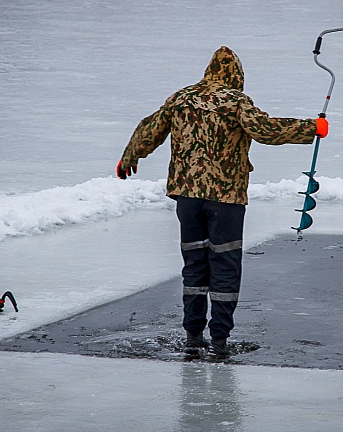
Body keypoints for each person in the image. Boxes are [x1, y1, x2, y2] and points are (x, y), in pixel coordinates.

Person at [116, 46, 328, 357]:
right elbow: (265, 130)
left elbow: (149, 129)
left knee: (194, 266)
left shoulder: (181, 98)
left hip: (187, 199)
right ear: (237, 75)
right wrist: (312, 127)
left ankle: (192, 337)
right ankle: (219, 342)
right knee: (225, 266)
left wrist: (129, 157)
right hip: (225, 200)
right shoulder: (236, 101)